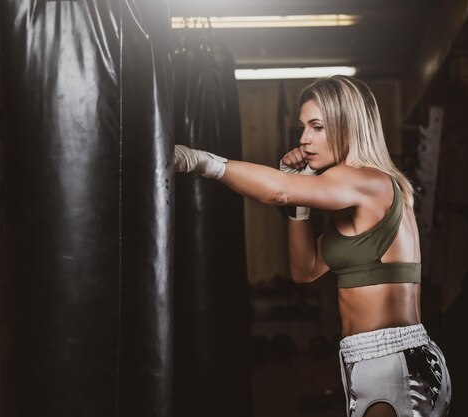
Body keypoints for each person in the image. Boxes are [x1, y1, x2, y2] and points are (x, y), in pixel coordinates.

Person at [174, 75, 451, 417]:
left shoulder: (366, 181)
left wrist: (203, 162)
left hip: (392, 363)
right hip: (372, 359)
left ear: (348, 126)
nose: (304, 139)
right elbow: (305, 270)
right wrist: (300, 206)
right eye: (303, 127)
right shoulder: (357, 198)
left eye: (317, 126)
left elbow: (277, 190)